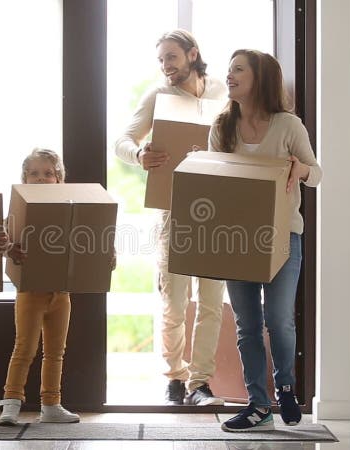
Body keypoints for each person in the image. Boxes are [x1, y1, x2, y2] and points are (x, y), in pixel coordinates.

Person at [208, 49, 322, 431]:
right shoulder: (222, 126)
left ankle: (285, 386)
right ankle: (258, 405)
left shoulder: (288, 125)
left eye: (238, 69)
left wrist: (299, 167)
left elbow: (317, 173)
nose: (229, 75)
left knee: (278, 319)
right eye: (229, 70)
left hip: (283, 234)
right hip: (236, 237)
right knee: (247, 324)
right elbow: (212, 179)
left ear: (261, 77)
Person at [114, 29, 227, 406]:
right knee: (175, 301)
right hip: (174, 210)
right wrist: (139, 155)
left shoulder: (222, 92)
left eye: (172, 57)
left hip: (217, 211)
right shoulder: (158, 95)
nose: (166, 66)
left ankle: (201, 383)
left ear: (192, 54)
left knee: (211, 302)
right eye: (161, 59)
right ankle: (175, 378)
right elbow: (122, 141)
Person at [0, 149, 84, 425]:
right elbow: (0, 239)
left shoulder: (71, 208)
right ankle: (11, 402)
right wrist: (10, 248)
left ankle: (51, 404)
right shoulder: (18, 209)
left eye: (48, 174)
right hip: (30, 291)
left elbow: (88, 237)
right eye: (33, 174)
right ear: (24, 178)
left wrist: (105, 255)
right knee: (24, 347)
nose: (41, 179)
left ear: (59, 179)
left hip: (60, 292)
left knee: (56, 351)